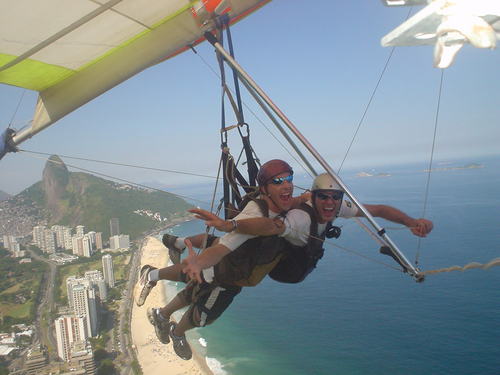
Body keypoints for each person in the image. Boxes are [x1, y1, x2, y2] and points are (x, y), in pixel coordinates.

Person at [135, 159, 308, 360]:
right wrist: (199, 262)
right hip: (227, 273)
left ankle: (159, 305)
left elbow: (292, 202)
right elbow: (224, 245)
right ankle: (176, 331)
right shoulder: (255, 214)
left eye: (289, 179)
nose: (286, 185)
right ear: (266, 189)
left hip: (234, 270)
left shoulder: (280, 205)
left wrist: (306, 197)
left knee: (193, 290)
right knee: (203, 314)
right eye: (278, 181)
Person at [188, 172, 434, 284]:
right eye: (323, 197)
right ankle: (191, 253)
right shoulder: (300, 218)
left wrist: (411, 222)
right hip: (286, 268)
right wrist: (229, 224)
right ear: (313, 196)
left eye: (335, 197)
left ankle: (183, 244)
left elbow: (377, 210)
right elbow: (270, 226)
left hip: (304, 259)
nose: (329, 202)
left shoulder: (338, 207)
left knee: (230, 243)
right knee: (232, 248)